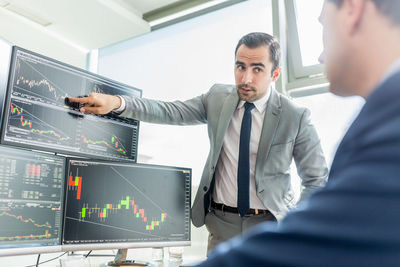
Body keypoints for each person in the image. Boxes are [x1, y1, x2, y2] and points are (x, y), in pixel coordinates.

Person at [67, 32, 328, 252]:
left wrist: (296, 225)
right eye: (240, 66)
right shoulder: (217, 98)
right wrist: (118, 103)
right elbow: (170, 111)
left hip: (270, 225)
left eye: (257, 69)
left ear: (275, 74)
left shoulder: (295, 116)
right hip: (221, 223)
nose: (246, 78)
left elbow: (316, 180)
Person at [188, 0, 400, 266]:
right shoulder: (382, 114)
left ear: (353, 9)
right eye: (241, 67)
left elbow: (329, 227)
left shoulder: (390, 121)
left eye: (324, 26)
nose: (321, 57)